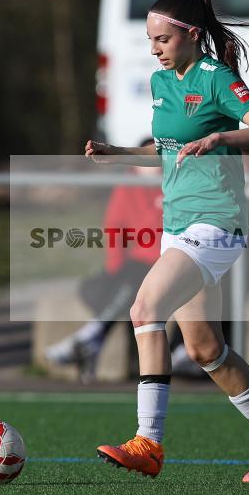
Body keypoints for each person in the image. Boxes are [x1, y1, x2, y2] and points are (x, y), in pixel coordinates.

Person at [84, 0, 249, 483]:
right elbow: (168, 149)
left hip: (216, 221)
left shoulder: (216, 79)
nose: (155, 48)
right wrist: (116, 151)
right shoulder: (163, 82)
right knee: (205, 349)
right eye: (149, 40)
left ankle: (149, 442)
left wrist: (222, 136)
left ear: (190, 34)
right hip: (179, 224)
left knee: (145, 309)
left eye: (163, 38)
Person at [44, 139, 163, 382]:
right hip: (135, 269)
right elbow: (115, 230)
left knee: (134, 282)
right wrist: (115, 271)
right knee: (113, 285)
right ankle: (93, 339)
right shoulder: (127, 187)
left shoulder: (175, 184)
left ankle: (91, 338)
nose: (155, 165)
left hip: (167, 264)